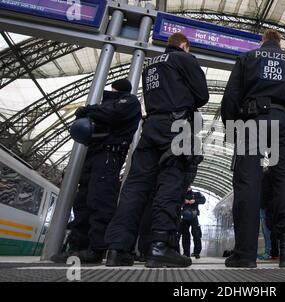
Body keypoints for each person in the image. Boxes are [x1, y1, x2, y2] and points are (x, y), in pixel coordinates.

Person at [104, 32, 209, 268]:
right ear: (184, 46)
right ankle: (160, 246)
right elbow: (203, 96)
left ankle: (117, 249)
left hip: (150, 126)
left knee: (136, 186)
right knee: (171, 183)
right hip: (177, 126)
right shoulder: (185, 59)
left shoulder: (150, 65)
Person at [221, 29, 285, 268]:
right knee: (284, 182)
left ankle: (245, 254)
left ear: (262, 41)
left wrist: (232, 130)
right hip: (282, 122)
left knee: (248, 183)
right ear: (280, 42)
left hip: (251, 121)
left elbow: (230, 97)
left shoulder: (247, 58)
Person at [51, 78, 142, 264]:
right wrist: (92, 111)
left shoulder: (129, 102)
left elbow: (113, 114)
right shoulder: (106, 105)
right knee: (82, 200)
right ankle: (78, 246)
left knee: (100, 200)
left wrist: (89, 110)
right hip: (94, 154)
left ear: (115, 89)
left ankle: (96, 248)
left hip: (109, 155)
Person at [180, 187, 206, 259]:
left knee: (196, 234)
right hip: (184, 217)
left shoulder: (196, 194)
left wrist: (195, 201)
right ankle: (186, 253)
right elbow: (173, 200)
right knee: (185, 235)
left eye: (189, 186)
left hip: (194, 216)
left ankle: (196, 253)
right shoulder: (181, 194)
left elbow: (203, 200)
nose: (188, 187)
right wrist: (183, 201)